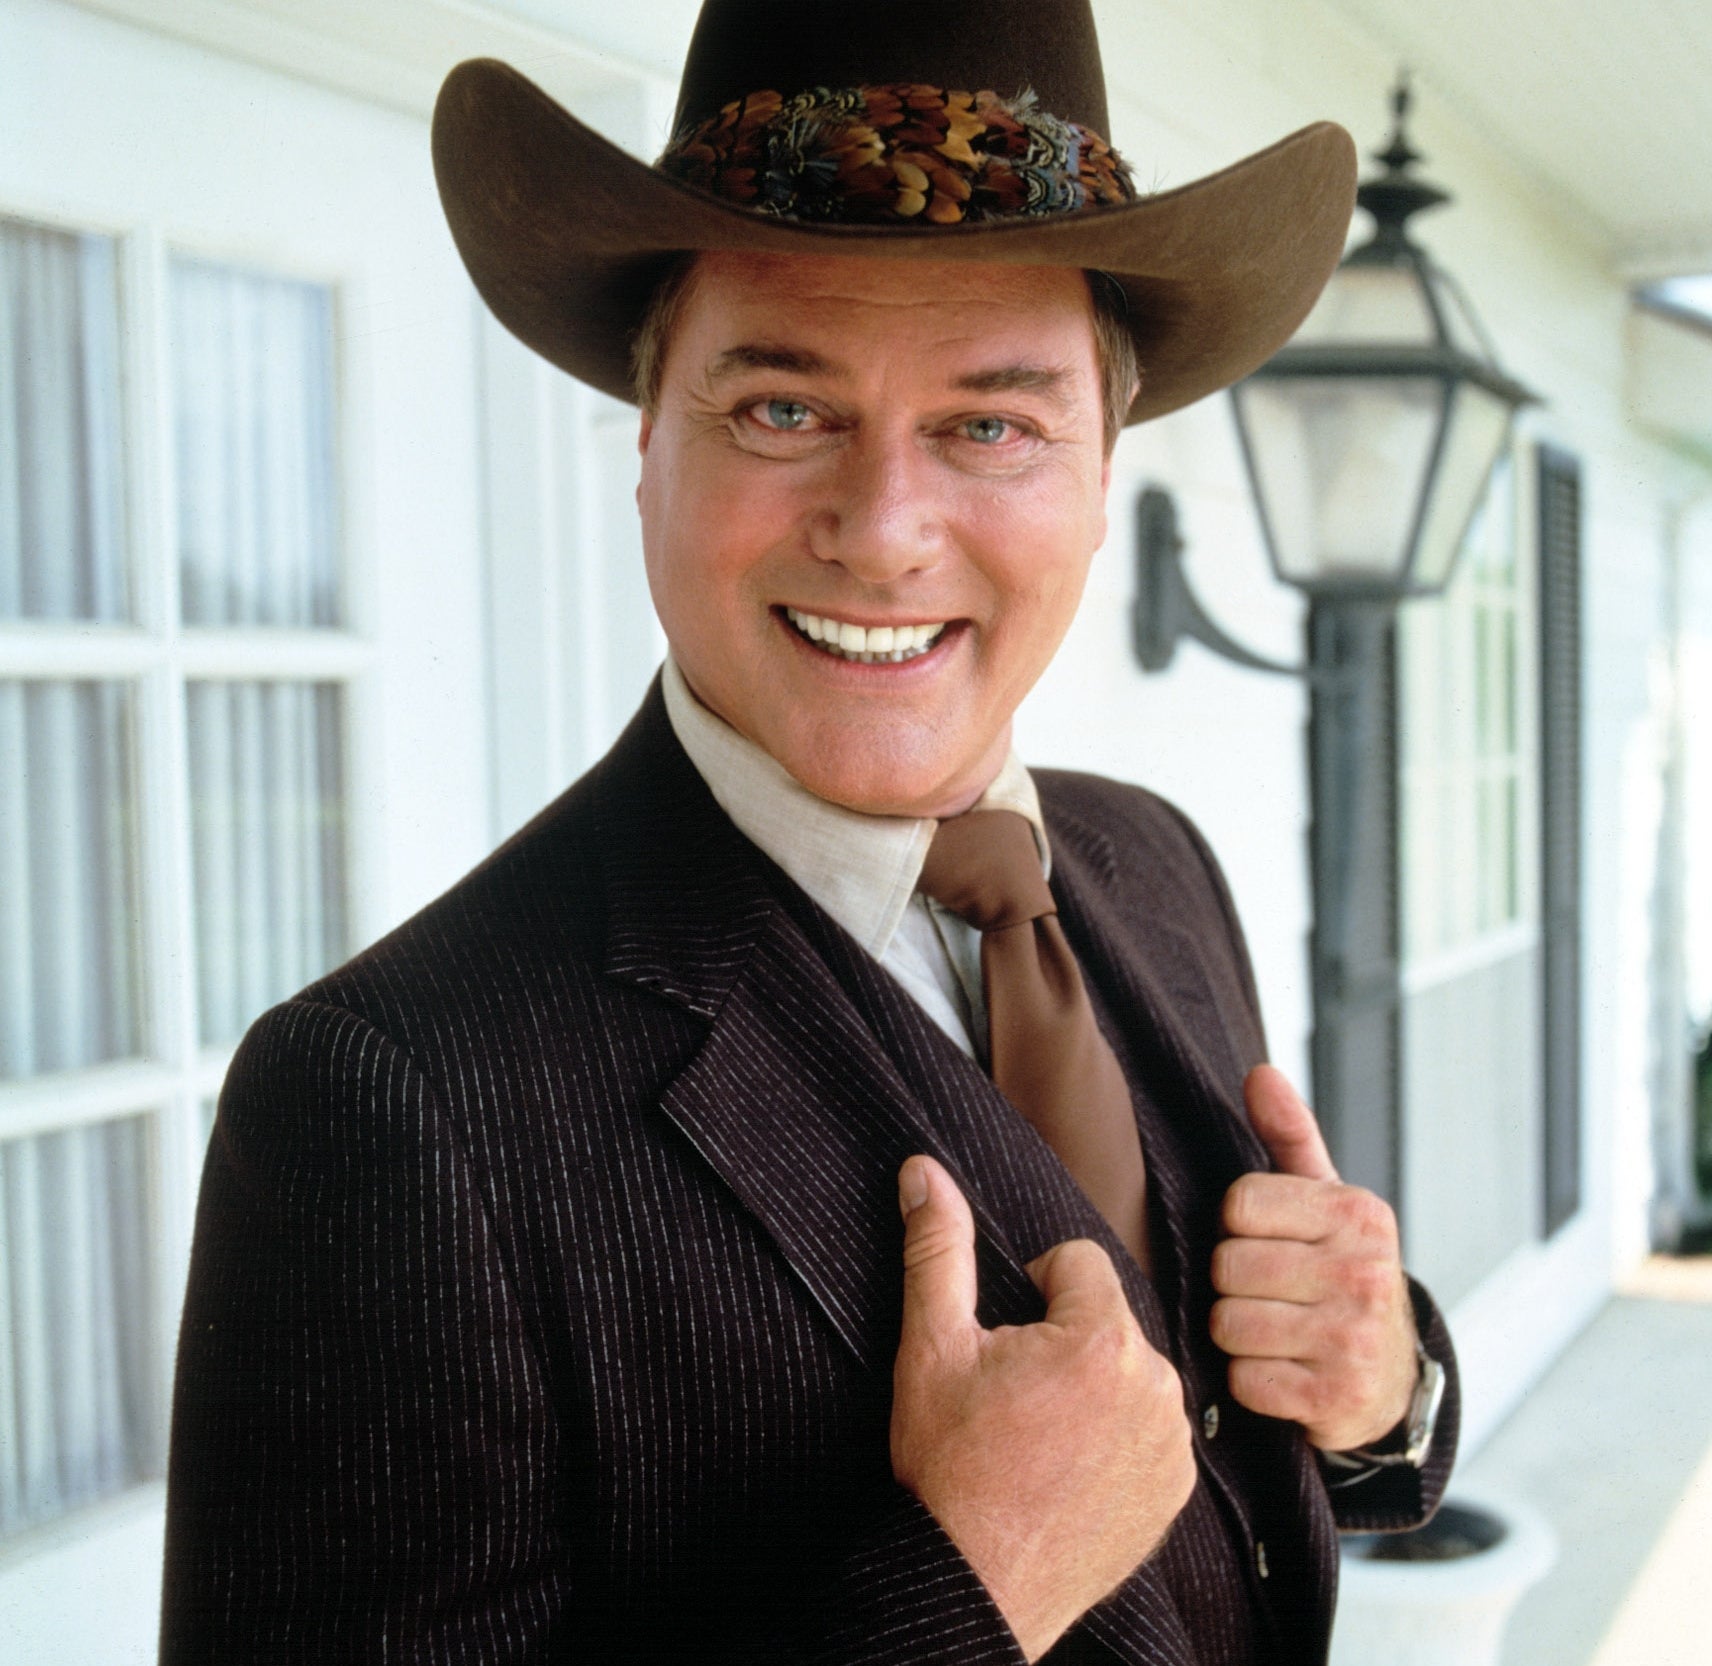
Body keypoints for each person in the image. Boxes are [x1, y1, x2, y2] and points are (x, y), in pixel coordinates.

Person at [160, 2, 1459, 1662]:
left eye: (990, 424)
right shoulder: (390, 1104)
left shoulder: (1156, 864)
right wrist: (961, 1584)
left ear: (1103, 466)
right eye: (783, 411)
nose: (884, 531)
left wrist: (1380, 1386)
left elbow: (1245, 1521)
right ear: (650, 444)